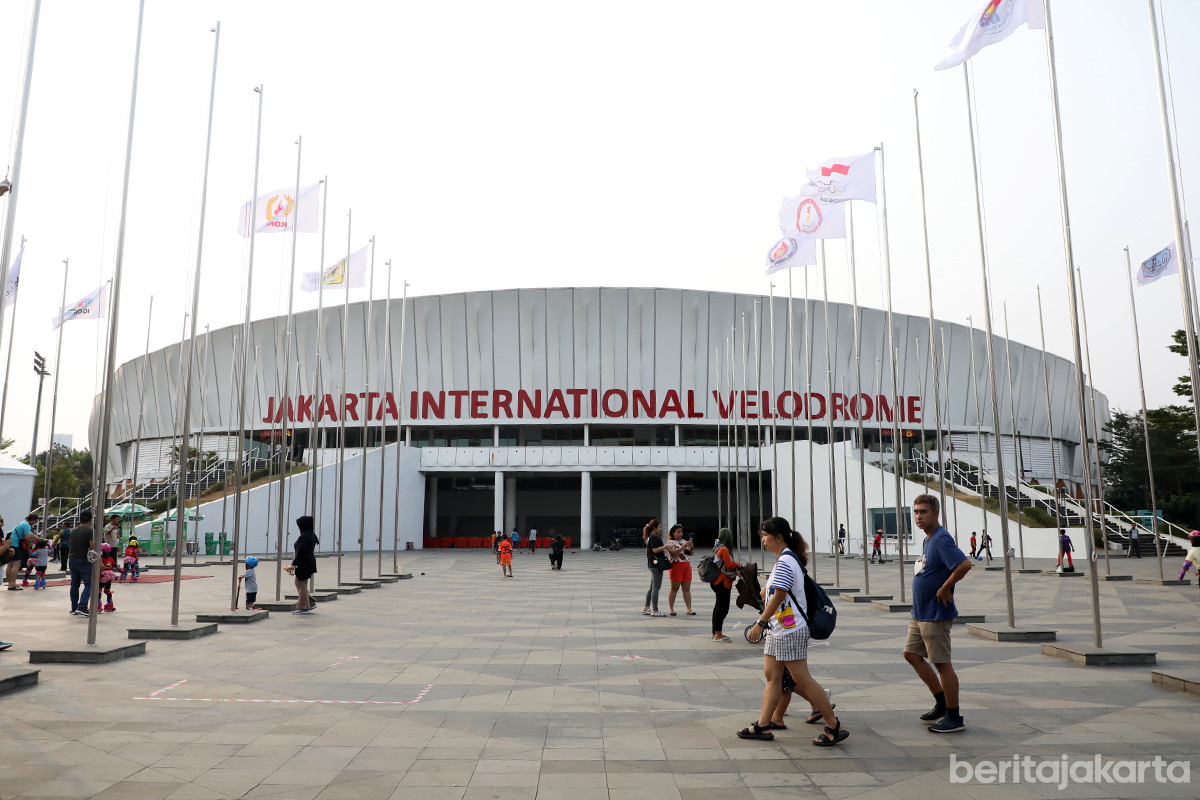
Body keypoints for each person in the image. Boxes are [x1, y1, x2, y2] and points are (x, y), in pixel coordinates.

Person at [740, 517, 845, 746]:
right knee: (772, 676)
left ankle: (833, 725)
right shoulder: (784, 561)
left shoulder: (786, 561)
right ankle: (764, 725)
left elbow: (779, 595)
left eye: (766, 535)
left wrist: (760, 622)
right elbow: (770, 593)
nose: (763, 540)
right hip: (780, 629)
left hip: (790, 630)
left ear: (778, 537)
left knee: (802, 679)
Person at [904, 493, 971, 734]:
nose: (918, 516)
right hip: (919, 612)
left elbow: (964, 564)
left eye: (923, 511)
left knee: (943, 664)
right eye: (916, 512)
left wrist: (944, 587)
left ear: (935, 513)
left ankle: (954, 716)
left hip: (935, 613)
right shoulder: (928, 539)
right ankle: (941, 702)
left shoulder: (941, 538)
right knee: (911, 654)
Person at [709, 528, 740, 642]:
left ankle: (715, 633)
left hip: (716, 581)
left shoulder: (717, 547)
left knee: (718, 607)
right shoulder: (724, 549)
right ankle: (718, 634)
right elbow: (729, 565)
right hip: (723, 581)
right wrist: (738, 564)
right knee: (723, 608)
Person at [286, 515, 318, 614]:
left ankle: (303, 607)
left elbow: (301, 553)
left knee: (301, 585)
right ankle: (310, 602)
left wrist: (293, 565)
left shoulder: (304, 537)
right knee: (300, 583)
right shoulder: (310, 534)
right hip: (308, 563)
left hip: (304, 564)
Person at [68, 511, 96, 616]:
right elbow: (92, 546)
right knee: (89, 584)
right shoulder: (89, 531)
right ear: (90, 519)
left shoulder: (73, 531)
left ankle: (74, 608)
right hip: (84, 560)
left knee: (74, 585)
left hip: (72, 559)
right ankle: (82, 606)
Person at [664, 524, 695, 616]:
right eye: (678, 532)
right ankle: (671, 608)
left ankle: (689, 608)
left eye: (681, 532)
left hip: (686, 565)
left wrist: (691, 546)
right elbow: (673, 554)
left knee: (686, 588)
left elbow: (690, 553)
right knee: (674, 588)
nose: (680, 534)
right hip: (676, 566)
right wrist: (682, 547)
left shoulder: (684, 541)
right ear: (673, 533)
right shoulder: (670, 542)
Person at [641, 518, 669, 617]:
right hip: (656, 565)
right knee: (656, 588)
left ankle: (646, 607)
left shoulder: (650, 537)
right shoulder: (653, 537)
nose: (660, 529)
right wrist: (666, 546)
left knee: (652, 587)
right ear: (655, 527)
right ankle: (655, 610)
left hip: (652, 564)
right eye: (659, 527)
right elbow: (655, 550)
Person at [6, 512, 37, 590]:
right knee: (16, 564)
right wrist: (28, 546)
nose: (35, 523)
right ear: (33, 520)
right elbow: (27, 537)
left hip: (10, 544)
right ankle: (13, 585)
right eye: (35, 521)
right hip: (16, 545)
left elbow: (30, 534)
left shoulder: (21, 523)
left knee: (10, 565)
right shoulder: (26, 525)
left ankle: (10, 583)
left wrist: (40, 538)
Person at [99, 544, 118, 612]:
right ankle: (110, 604)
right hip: (109, 580)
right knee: (107, 591)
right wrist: (121, 571)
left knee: (99, 591)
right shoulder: (111, 559)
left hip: (101, 578)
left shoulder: (100, 559)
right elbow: (116, 566)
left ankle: (98, 606)